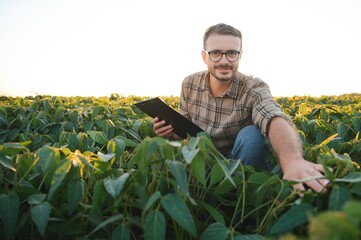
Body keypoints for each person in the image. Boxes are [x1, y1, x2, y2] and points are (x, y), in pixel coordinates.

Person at [153, 23, 329, 193]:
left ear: (240, 55)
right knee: (168, 157)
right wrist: (171, 132)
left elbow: (273, 117)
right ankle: (194, 198)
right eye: (215, 53)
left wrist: (292, 160)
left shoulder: (253, 87)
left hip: (238, 166)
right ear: (205, 56)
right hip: (202, 161)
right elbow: (187, 130)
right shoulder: (189, 83)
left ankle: (243, 203)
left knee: (252, 135)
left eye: (231, 53)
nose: (224, 61)